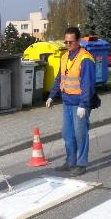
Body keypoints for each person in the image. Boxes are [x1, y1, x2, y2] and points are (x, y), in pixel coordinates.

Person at [46, 27, 95, 177]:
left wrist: (84, 105)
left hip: (79, 104)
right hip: (67, 102)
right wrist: (51, 96)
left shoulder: (85, 59)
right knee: (68, 134)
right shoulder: (65, 57)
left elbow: (88, 84)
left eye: (70, 42)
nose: (67, 44)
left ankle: (81, 164)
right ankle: (70, 161)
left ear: (78, 41)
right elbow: (59, 78)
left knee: (81, 134)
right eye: (65, 42)